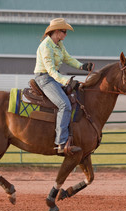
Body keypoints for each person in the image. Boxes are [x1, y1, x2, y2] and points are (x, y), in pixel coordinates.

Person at [34, 18, 94, 155]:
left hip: (53, 78)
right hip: (44, 78)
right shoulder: (46, 46)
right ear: (56, 31)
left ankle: (71, 136)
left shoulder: (59, 44)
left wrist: (81, 66)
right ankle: (61, 143)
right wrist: (66, 81)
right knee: (64, 105)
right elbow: (50, 70)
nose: (66, 34)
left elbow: (67, 58)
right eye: (64, 31)